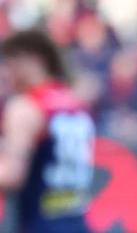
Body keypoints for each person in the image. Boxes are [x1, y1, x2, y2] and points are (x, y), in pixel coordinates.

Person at [0, 30, 94, 233]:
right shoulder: (75, 102)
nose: (5, 72)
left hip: (41, 224)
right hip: (77, 221)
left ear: (30, 59)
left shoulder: (25, 107)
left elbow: (12, 175)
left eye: (9, 62)